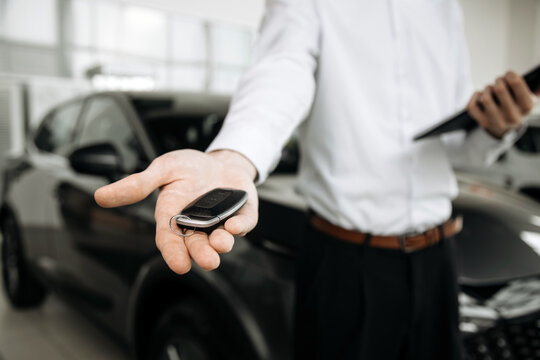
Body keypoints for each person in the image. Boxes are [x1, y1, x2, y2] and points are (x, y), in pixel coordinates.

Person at [95, 0, 539, 359]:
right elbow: (280, 72)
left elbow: (456, 147)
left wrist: (496, 125)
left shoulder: (445, 8)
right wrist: (235, 154)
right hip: (347, 265)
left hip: (438, 260)